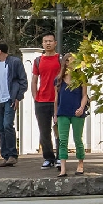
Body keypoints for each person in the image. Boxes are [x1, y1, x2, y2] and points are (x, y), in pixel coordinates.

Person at [0, 40, 28, 167]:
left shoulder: (14, 62)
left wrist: (18, 97)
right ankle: (5, 155)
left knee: (7, 125)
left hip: (10, 99)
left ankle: (12, 154)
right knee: (0, 127)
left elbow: (23, 81)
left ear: (0, 51)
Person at [54, 53, 88, 177]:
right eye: (68, 61)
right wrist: (55, 114)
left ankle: (80, 164)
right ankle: (63, 168)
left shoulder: (81, 78)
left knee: (78, 139)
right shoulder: (58, 79)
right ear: (65, 63)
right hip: (63, 112)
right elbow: (56, 99)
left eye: (73, 61)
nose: (70, 63)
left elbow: (84, 96)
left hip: (77, 112)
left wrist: (81, 108)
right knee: (63, 140)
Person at [31, 32, 62, 170]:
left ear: (55, 43)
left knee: (60, 130)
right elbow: (34, 80)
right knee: (44, 131)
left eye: (50, 41)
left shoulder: (61, 59)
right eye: (45, 41)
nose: (48, 43)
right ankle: (48, 158)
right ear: (42, 44)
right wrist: (35, 97)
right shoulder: (38, 60)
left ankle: (61, 157)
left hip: (58, 100)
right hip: (41, 101)